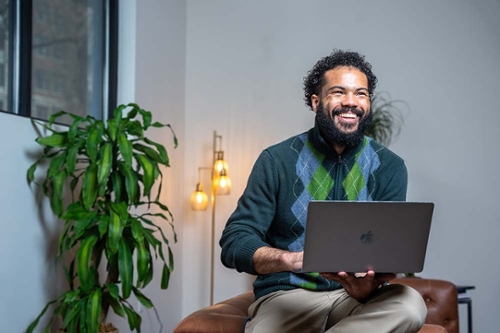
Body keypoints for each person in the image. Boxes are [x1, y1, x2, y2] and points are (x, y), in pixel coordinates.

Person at [219, 49, 427, 332]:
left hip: (357, 301)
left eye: (361, 94)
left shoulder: (390, 167)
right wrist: (289, 259)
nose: (351, 102)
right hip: (287, 297)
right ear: (317, 101)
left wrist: (366, 285)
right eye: (339, 92)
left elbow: (386, 253)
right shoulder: (276, 160)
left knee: (411, 305)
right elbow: (235, 241)